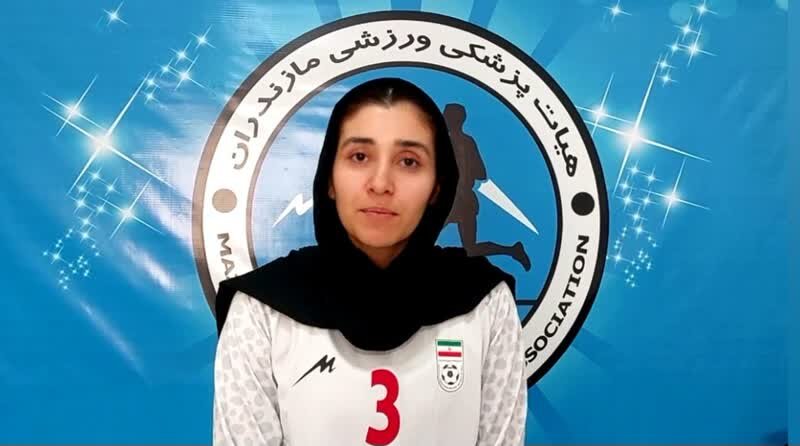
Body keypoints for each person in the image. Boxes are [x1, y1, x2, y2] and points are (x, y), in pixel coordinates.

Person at [212, 77, 528, 446]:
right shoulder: (260, 308)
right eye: (359, 157)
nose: (380, 183)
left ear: (437, 187)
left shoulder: (486, 302)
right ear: (330, 178)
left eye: (408, 161)